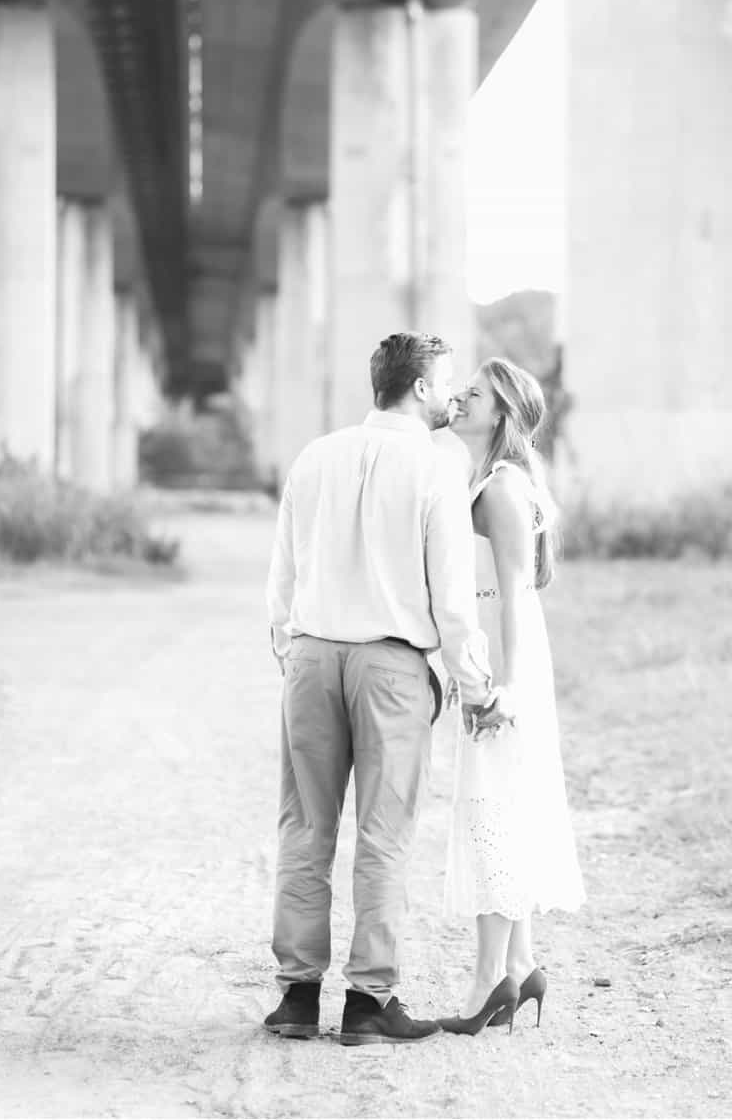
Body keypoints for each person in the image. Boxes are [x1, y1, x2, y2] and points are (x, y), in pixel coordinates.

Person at [262, 332, 511, 1045]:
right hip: (392, 666)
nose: (451, 393)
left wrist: (293, 651)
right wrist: (475, 684)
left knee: (304, 826)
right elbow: (453, 598)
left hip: (311, 658)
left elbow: (281, 576)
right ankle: (369, 1003)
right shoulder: (436, 466)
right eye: (446, 381)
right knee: (383, 833)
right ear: (423, 387)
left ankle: (297, 997)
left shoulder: (314, 456)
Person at [438, 357, 585, 1036]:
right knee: (506, 806)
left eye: (475, 393)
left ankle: (488, 978)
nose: (460, 397)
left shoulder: (499, 486)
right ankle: (522, 964)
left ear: (500, 414)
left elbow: (514, 596)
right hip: (504, 660)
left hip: (507, 665)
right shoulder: (492, 480)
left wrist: (504, 687)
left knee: (492, 809)